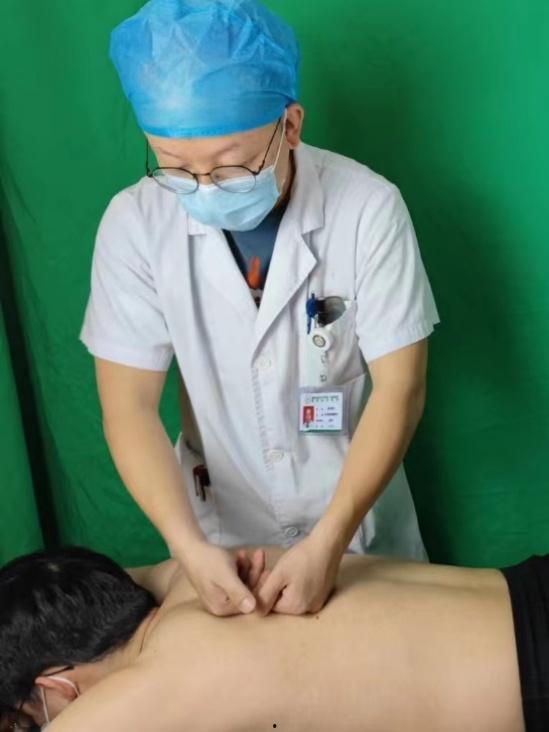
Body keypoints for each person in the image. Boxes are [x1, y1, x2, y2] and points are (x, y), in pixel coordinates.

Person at [80, 0, 441, 618]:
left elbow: (400, 388)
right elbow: (129, 407)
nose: (203, 187)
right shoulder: (135, 224)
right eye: (175, 166)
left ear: (290, 125)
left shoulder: (367, 208)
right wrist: (188, 547)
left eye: (230, 164)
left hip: (357, 530)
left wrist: (329, 541)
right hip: (222, 534)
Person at [1, 544, 545, 731]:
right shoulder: (194, 576)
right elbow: (77, 578)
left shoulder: (167, 677)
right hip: (530, 586)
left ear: (59, 688)